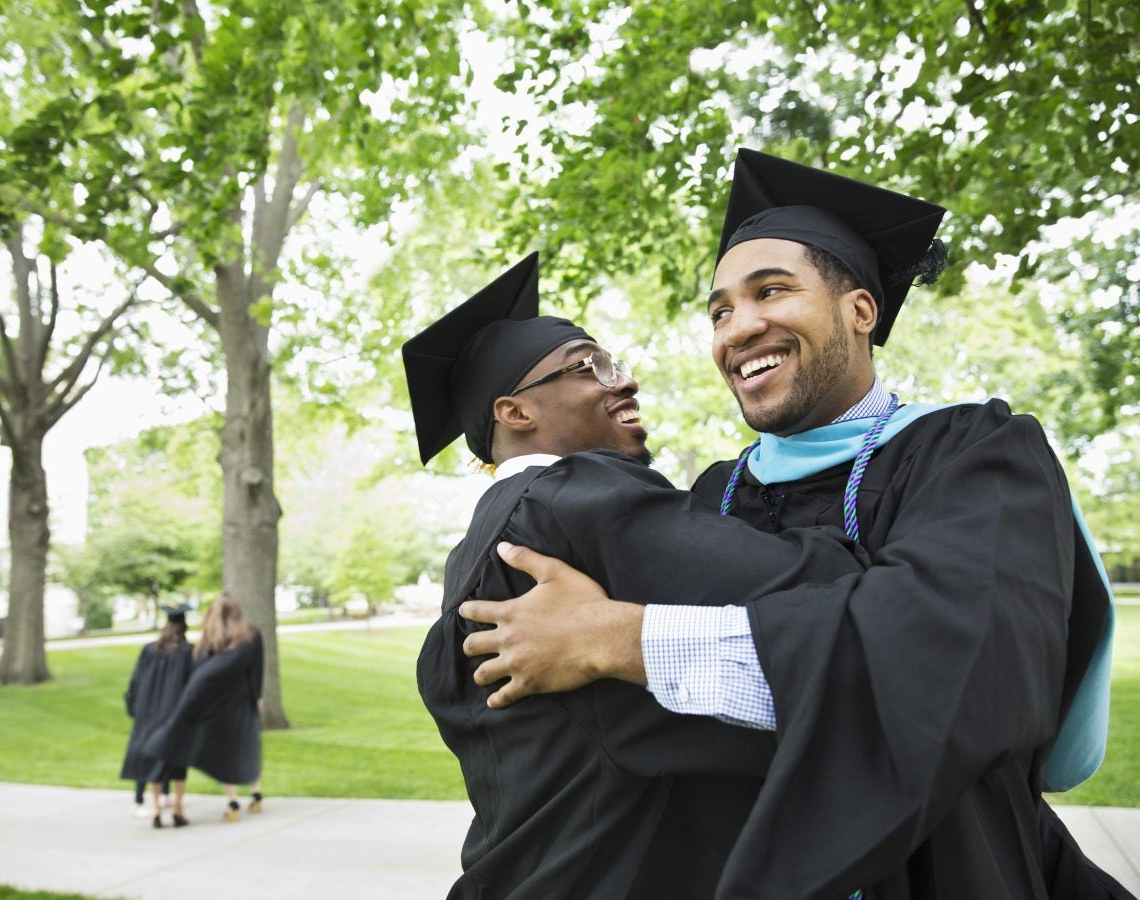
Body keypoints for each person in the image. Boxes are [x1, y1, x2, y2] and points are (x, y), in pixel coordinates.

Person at [459, 150, 1128, 898]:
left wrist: (618, 637)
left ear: (860, 311)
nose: (739, 327)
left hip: (950, 868)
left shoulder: (975, 452)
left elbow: (958, 662)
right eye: (719, 311)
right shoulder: (716, 494)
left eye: (771, 291)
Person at [403, 252, 876, 898]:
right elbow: (803, 588)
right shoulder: (573, 499)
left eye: (614, 363)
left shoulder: (478, 552)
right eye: (588, 367)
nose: (621, 383)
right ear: (516, 414)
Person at [143, 593, 264, 822]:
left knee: (226, 750)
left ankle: (233, 801)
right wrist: (257, 696)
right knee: (246, 746)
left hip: (219, 702)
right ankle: (256, 794)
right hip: (242, 699)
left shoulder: (210, 639)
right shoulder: (251, 635)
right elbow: (256, 669)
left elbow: (200, 672)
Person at [120, 604, 193, 829]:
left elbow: (136, 682)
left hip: (150, 714)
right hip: (177, 715)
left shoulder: (149, 650)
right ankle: (178, 808)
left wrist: (135, 709)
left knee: (154, 761)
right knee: (178, 761)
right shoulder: (189, 651)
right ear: (184, 626)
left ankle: (156, 809)